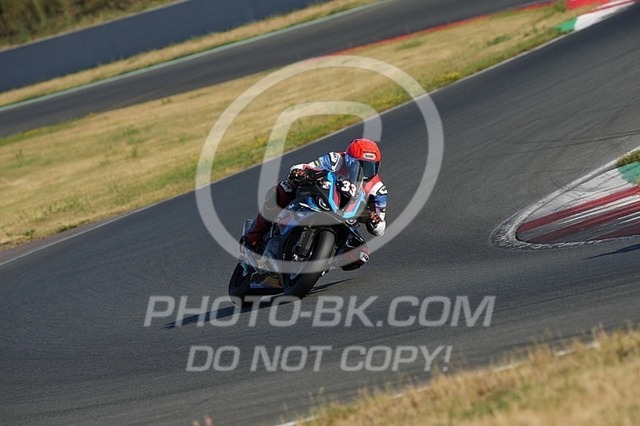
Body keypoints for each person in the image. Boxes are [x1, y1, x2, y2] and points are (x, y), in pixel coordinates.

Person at [241, 138, 387, 270]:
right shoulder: (335, 159)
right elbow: (309, 166)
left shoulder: (378, 188)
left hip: (347, 218)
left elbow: (380, 228)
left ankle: (324, 259)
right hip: (322, 197)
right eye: (360, 165)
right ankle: (252, 237)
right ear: (349, 160)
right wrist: (300, 172)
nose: (365, 172)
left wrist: (374, 220)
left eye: (371, 167)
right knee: (284, 189)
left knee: (361, 254)